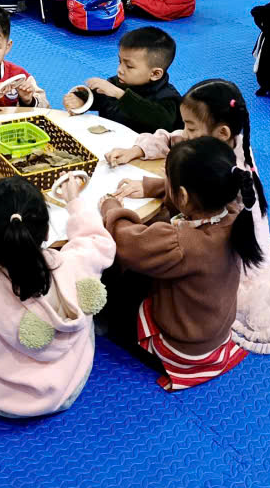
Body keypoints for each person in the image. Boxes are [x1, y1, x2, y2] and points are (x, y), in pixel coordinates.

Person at [105, 78, 270, 355]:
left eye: (191, 127)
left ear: (222, 132)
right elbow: (174, 139)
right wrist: (142, 160)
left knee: (118, 289)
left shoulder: (203, 221)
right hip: (212, 296)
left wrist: (111, 208)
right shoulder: (221, 165)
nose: (185, 133)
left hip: (193, 326)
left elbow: (130, 244)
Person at [99, 137, 259, 390]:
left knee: (111, 284)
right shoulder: (234, 212)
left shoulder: (182, 243)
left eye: (168, 181)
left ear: (183, 195)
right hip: (212, 336)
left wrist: (110, 207)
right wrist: (153, 187)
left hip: (181, 350)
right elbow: (188, 199)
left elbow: (126, 242)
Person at [0, 174, 115, 418]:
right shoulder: (73, 263)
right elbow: (98, 242)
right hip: (69, 384)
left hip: (1, 400)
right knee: (87, 306)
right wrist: (74, 201)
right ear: (47, 232)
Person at [63, 26, 181, 132]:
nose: (119, 69)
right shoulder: (118, 83)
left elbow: (160, 121)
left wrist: (120, 95)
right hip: (109, 139)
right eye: (120, 61)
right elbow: (96, 97)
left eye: (129, 66)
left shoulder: (168, 98)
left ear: (155, 74)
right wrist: (80, 99)